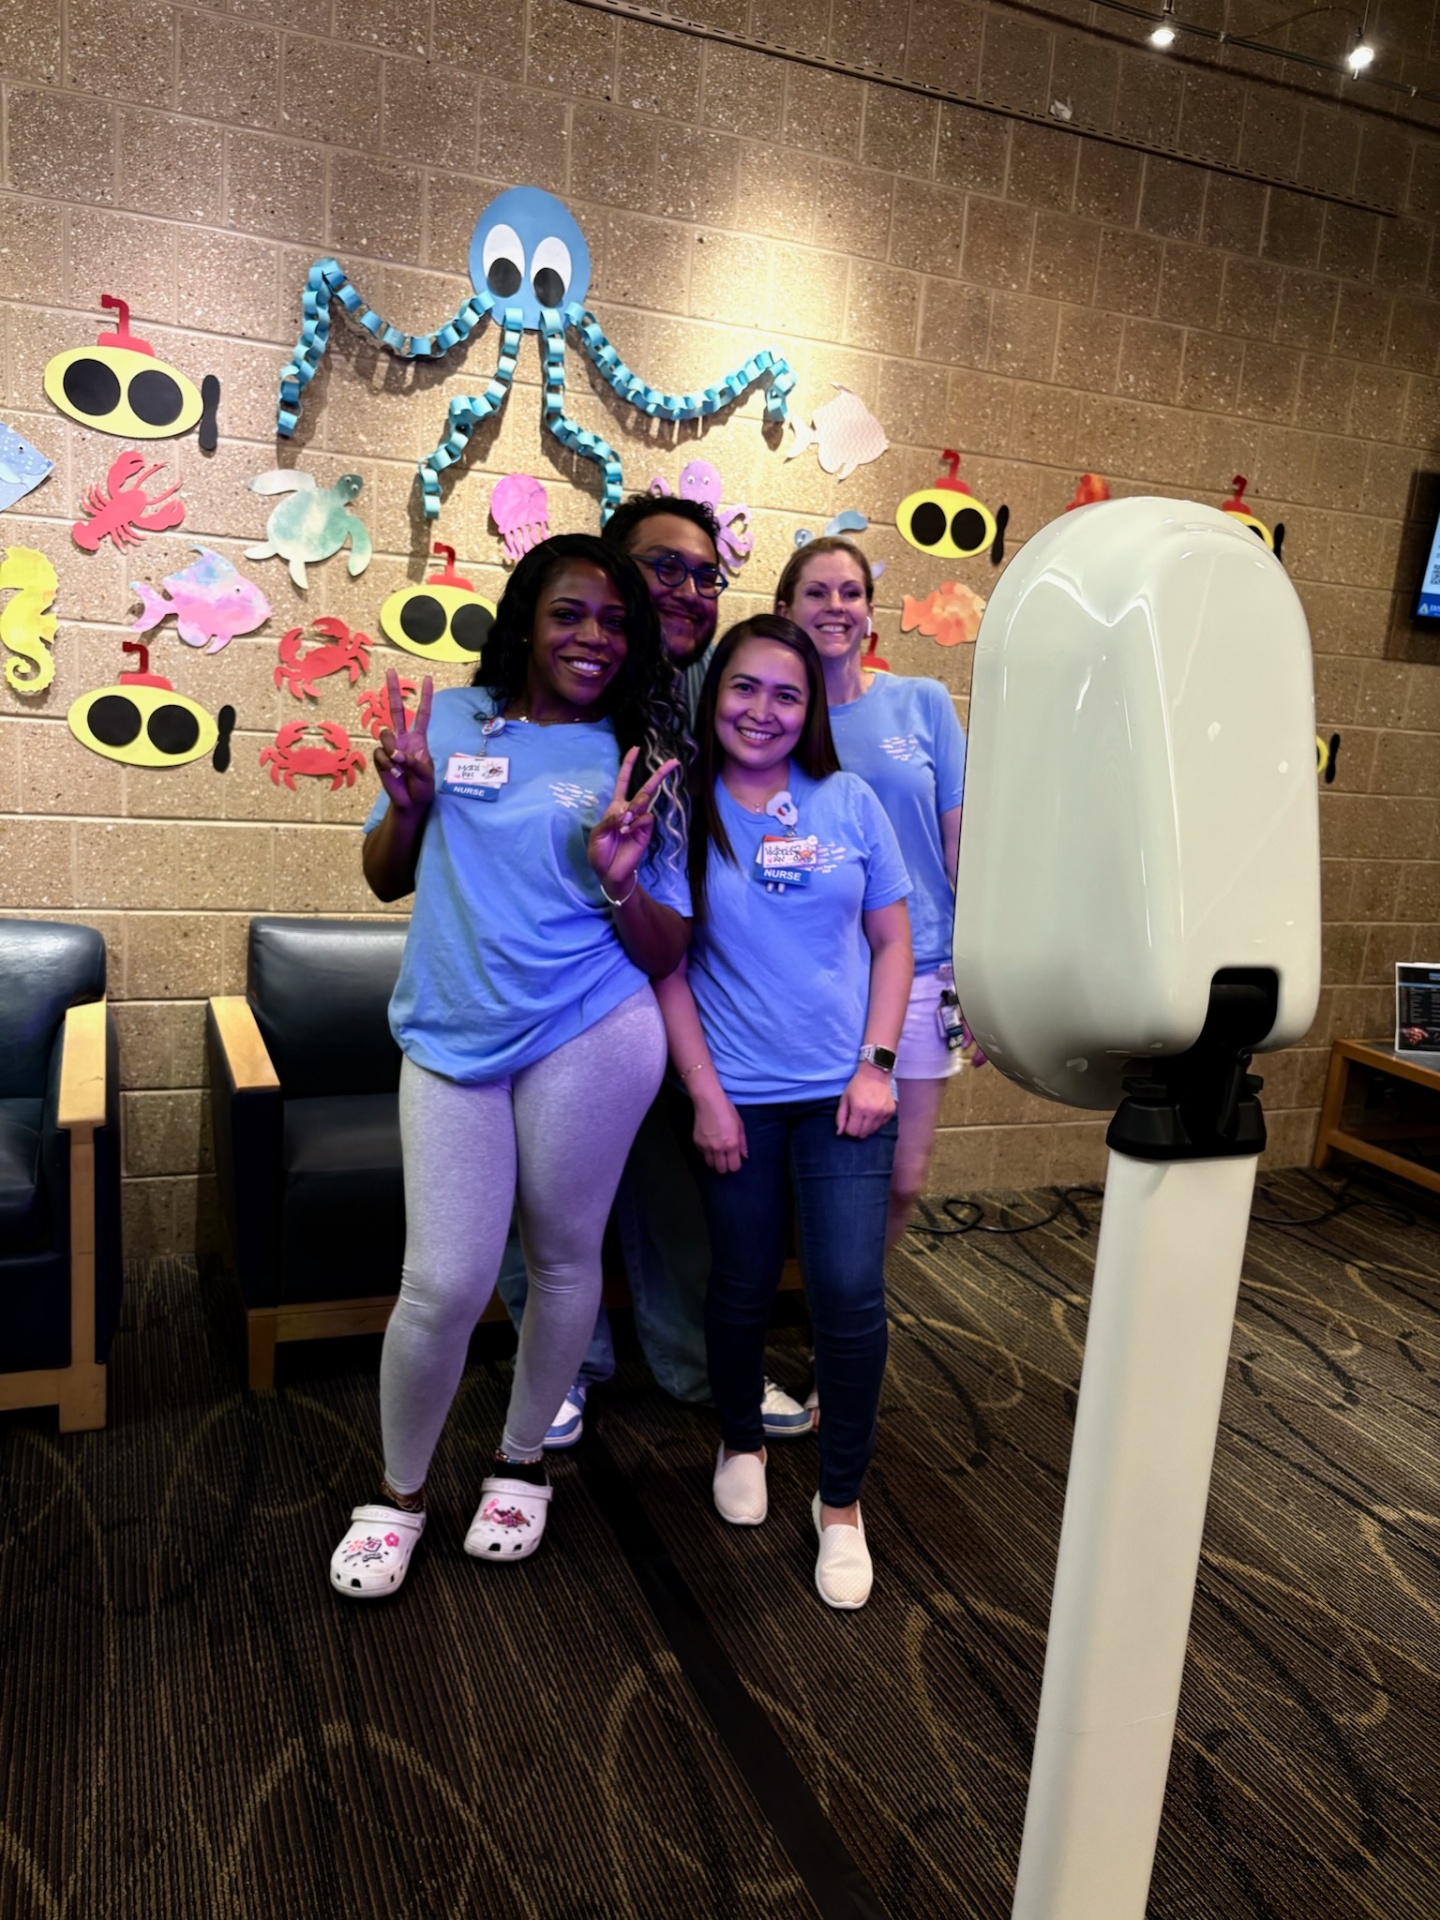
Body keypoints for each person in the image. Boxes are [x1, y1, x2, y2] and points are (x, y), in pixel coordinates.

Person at [329, 534, 690, 1598]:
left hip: (591, 1028)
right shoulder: (451, 720)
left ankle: (521, 1461)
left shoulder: (643, 754)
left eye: (616, 623)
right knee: (442, 1283)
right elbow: (385, 879)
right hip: (451, 1034)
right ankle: (398, 1494)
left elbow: (667, 948)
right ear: (527, 619)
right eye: (570, 613)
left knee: (567, 1258)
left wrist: (621, 879)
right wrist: (406, 805)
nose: (592, 638)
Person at [495, 495, 812, 1444]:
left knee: (680, 1200)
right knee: (537, 1198)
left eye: (706, 575)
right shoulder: (546, 693)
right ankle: (558, 1374)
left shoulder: (703, 695)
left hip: (668, 986)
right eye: (662, 567)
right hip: (544, 993)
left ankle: (706, 1368)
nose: (688, 590)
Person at [654, 616, 913, 1609]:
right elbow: (667, 968)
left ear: (811, 710)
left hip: (848, 1096)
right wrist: (706, 1096)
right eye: (744, 688)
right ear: (714, 695)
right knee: (743, 1283)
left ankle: (841, 1505)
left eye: (787, 695)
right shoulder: (684, 810)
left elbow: (894, 943)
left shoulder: (847, 800)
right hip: (740, 1100)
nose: (762, 711)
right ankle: (741, 1441)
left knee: (847, 1292)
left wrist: (877, 1067)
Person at [774, 536, 967, 1252]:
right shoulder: (772, 720)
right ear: (784, 611)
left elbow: (962, 850)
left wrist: (980, 977)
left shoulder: (924, 703)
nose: (835, 606)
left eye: (850, 593)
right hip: (818, 973)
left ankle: (850, 1306)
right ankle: (805, 1296)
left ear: (870, 612)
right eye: (817, 592)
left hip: (921, 969)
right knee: (808, 1173)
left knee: (903, 1179)